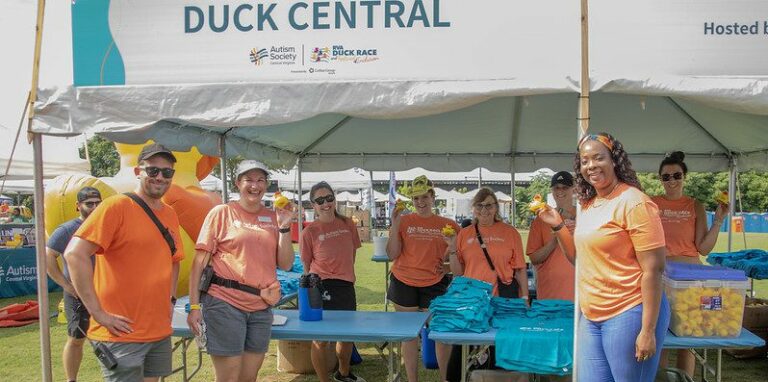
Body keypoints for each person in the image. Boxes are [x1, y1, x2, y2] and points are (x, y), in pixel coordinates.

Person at [536, 132, 670, 382]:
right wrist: (558, 226)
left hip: (629, 311)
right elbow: (579, 259)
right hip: (592, 314)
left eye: (598, 158)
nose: (591, 166)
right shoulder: (589, 204)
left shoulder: (635, 202)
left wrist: (648, 330)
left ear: (614, 160)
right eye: (585, 161)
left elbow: (654, 270)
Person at [65, 143, 185, 382]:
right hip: (121, 332)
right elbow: (74, 254)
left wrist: (171, 299)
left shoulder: (169, 213)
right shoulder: (116, 206)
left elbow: (174, 260)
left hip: (158, 329)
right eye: (152, 171)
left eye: (167, 172)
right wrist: (97, 312)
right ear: (137, 172)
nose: (160, 177)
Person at [187, 160, 295, 382]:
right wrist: (195, 306)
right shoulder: (222, 213)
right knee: (228, 378)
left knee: (249, 377)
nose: (255, 186)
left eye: (260, 180)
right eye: (249, 180)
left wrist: (284, 227)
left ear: (266, 185)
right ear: (238, 183)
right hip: (225, 303)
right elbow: (198, 264)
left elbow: (285, 264)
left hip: (261, 307)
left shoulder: (272, 217)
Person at [652, 151, 727, 377]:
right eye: (666, 177)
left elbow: (703, 247)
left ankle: (685, 380)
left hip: (690, 278)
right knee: (660, 334)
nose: (671, 181)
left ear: (684, 176)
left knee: (688, 334)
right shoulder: (652, 203)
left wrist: (720, 220)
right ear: (660, 180)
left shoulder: (696, 206)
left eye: (676, 175)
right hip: (660, 276)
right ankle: (662, 378)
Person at [445, 187, 528, 382]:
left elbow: (520, 270)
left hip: (502, 301)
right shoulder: (464, 234)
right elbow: (458, 273)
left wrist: (525, 298)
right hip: (472, 302)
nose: (484, 210)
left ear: (496, 207)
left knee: (499, 347)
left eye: (489, 205)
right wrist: (451, 248)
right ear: (473, 208)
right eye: (480, 206)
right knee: (464, 347)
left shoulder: (510, 233)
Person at [386, 175, 460, 382]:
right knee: (409, 335)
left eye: (425, 197)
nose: (420, 202)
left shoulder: (448, 224)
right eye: (416, 198)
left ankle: (445, 378)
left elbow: (461, 256)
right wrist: (394, 225)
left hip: (434, 285)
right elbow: (392, 254)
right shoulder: (404, 220)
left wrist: (446, 267)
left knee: (441, 335)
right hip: (403, 282)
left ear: (433, 197)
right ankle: (412, 380)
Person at [301, 181, 366, 382]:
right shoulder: (309, 232)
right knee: (320, 340)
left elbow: (351, 254)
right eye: (320, 200)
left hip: (345, 286)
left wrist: (344, 275)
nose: (326, 203)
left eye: (329, 198)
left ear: (334, 198)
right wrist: (312, 291)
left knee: (346, 337)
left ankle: (343, 373)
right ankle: (324, 380)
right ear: (313, 204)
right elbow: (306, 266)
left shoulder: (348, 224)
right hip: (320, 287)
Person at [46, 187, 102, 382]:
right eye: (89, 203)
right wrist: (67, 286)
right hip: (77, 295)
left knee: (112, 337)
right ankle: (71, 379)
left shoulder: (107, 226)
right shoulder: (67, 230)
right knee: (77, 339)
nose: (94, 207)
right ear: (78, 206)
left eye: (98, 203)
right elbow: (48, 257)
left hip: (104, 292)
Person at [526, 171, 576, 302]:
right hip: (549, 295)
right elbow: (534, 258)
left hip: (580, 294)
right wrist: (557, 238)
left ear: (573, 189)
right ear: (552, 191)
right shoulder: (542, 218)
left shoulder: (584, 214)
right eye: (556, 188)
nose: (560, 191)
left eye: (565, 187)